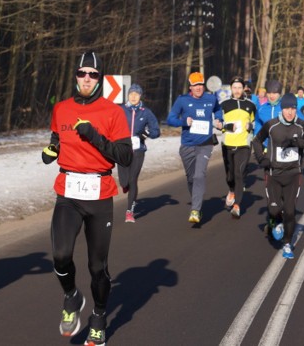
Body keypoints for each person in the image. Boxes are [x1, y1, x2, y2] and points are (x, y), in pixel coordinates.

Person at [41, 51, 132, 346]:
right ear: (75, 75)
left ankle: (99, 317)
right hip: (68, 191)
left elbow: (125, 156)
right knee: (60, 255)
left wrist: (93, 135)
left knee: (97, 267)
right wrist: (51, 150)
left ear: (100, 78)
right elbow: (56, 137)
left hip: (99, 193)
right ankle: (71, 296)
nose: (87, 79)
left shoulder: (113, 112)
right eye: (82, 73)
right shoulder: (61, 109)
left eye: (93, 74)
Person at [252, 93, 304, 259]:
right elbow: (257, 141)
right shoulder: (272, 125)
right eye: (287, 108)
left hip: (293, 175)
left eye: (293, 108)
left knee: (290, 212)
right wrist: (261, 159)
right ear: (282, 108)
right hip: (273, 174)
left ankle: (287, 243)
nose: (290, 112)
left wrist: (296, 143)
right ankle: (277, 221)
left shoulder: (302, 125)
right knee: (274, 210)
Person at [167, 72, 223, 224]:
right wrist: (185, 121)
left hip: (205, 144)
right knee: (191, 178)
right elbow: (170, 119)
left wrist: (219, 120)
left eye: (200, 85)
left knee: (199, 175)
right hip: (187, 145)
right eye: (195, 85)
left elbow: (218, 109)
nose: (198, 88)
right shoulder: (182, 100)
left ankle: (195, 210)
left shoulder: (211, 98)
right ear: (190, 86)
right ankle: (196, 201)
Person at [117, 83, 161, 223]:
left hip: (138, 151)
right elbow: (110, 124)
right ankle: (125, 186)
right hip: (122, 150)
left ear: (140, 96)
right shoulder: (120, 110)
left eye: (136, 94)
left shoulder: (146, 112)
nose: (133, 96)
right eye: (131, 94)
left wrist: (146, 133)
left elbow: (156, 131)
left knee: (132, 179)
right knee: (124, 182)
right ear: (128, 96)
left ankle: (129, 211)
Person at [219, 76, 257, 218]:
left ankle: (237, 205)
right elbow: (216, 123)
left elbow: (256, 123)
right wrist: (226, 126)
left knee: (239, 173)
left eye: (239, 87)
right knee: (230, 176)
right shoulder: (224, 104)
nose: (237, 90)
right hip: (227, 144)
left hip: (244, 145)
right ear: (231, 89)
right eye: (234, 88)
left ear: (243, 89)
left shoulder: (251, 105)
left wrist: (251, 126)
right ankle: (231, 190)